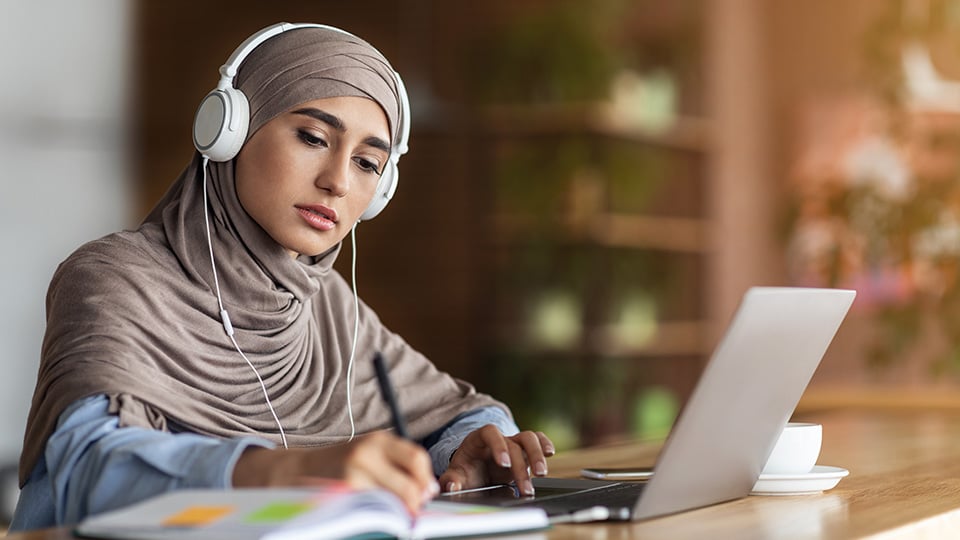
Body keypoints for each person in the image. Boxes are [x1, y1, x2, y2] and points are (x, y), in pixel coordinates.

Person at [10, 22, 553, 531]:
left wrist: (463, 450)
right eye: (313, 137)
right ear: (229, 132)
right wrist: (284, 469)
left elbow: (463, 409)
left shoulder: (329, 306)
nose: (338, 181)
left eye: (367, 163)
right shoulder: (115, 277)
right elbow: (91, 470)